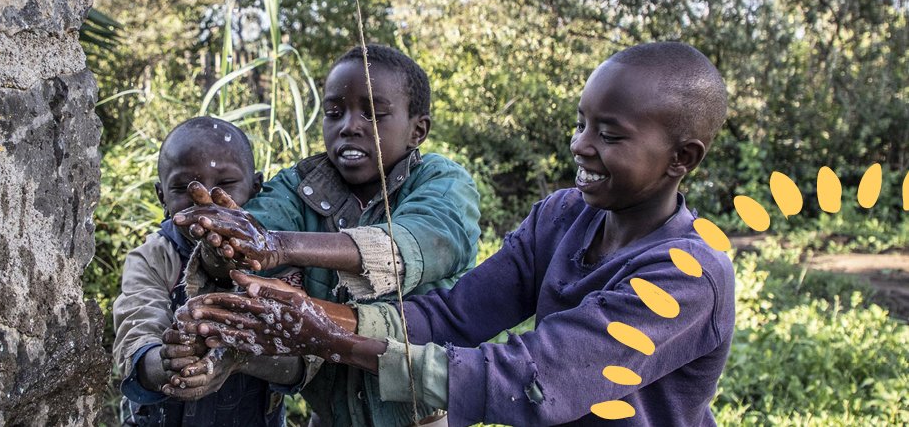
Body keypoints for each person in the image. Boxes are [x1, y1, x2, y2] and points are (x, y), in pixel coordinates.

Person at [183, 42, 736, 426]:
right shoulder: (563, 217)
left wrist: (331, 338)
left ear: (681, 158)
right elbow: (455, 315)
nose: (580, 146)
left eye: (609, 134)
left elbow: (535, 377)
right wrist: (309, 319)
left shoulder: (688, 275)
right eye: (580, 123)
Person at [174, 44, 482, 425]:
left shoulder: (442, 182)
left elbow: (408, 244)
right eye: (334, 113)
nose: (349, 126)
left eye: (374, 114)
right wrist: (221, 242)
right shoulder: (297, 186)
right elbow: (249, 233)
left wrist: (279, 245)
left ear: (417, 130)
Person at [111, 116, 301, 426]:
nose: (207, 201)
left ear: (256, 188)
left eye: (225, 185)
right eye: (186, 188)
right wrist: (171, 361)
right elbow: (136, 344)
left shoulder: (276, 260)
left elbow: (302, 363)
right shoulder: (154, 258)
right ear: (162, 196)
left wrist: (239, 356)